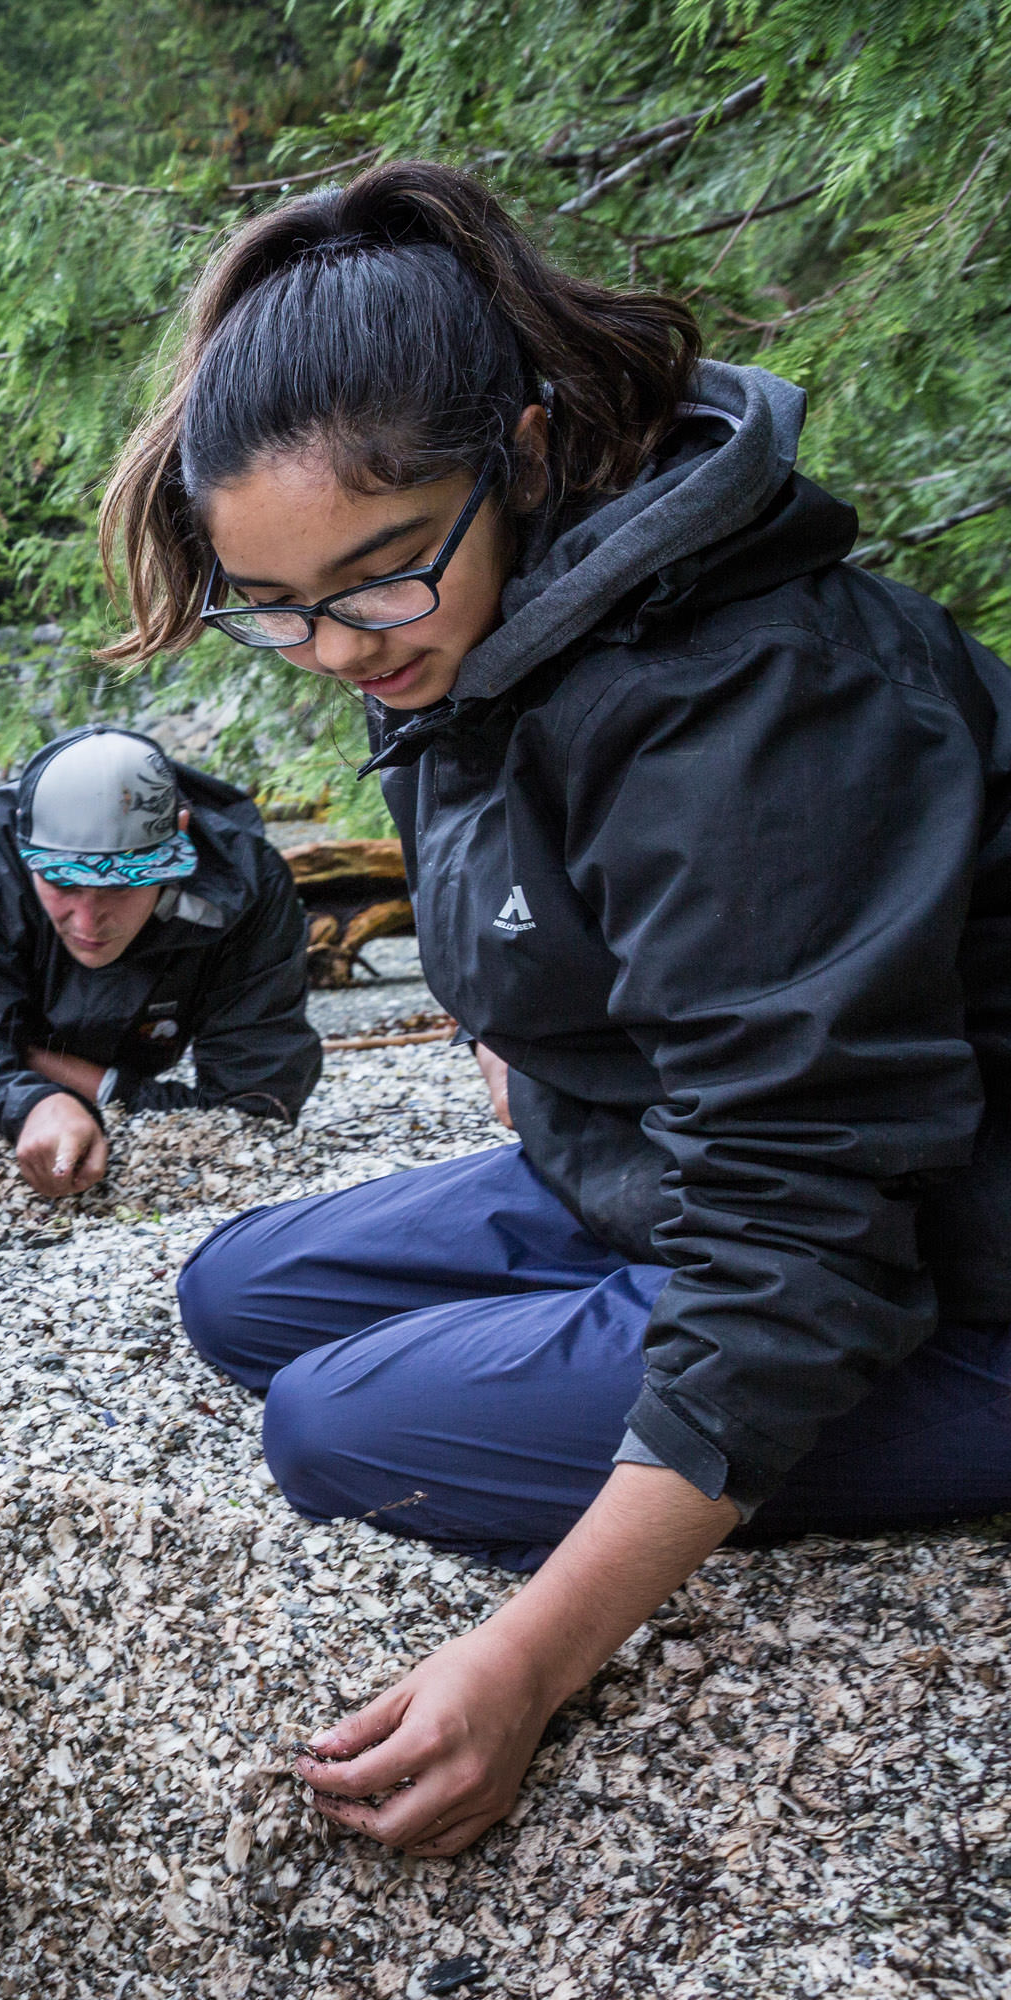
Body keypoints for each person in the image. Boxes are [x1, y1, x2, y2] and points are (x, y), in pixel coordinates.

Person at [103, 160, 1011, 1857]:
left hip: (947, 1261)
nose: (333, 651)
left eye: (375, 579)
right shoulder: (477, 623)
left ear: (524, 450)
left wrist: (533, 1660)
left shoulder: (759, 700)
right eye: (276, 608)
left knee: (334, 1427)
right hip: (665, 1167)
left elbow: (810, 1232)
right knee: (237, 1295)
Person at [0, 725, 319, 1205]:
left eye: (122, 885)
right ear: (24, 850)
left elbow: (257, 1104)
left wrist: (87, 1082)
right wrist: (32, 1102)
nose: (89, 921)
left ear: (177, 838)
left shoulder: (244, 882)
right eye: (62, 882)